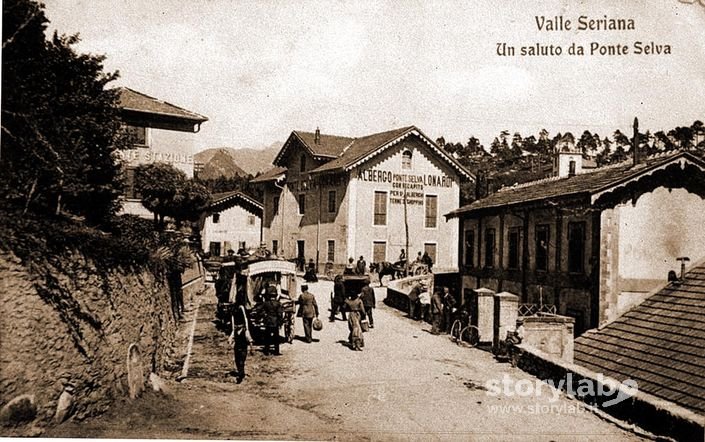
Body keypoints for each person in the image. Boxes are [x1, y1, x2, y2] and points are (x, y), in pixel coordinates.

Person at [228, 291, 253, 383]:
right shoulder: (242, 308)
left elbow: (232, 321)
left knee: (237, 350)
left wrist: (232, 333)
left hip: (236, 331)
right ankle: (241, 371)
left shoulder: (233, 308)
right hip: (242, 331)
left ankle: (240, 370)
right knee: (243, 350)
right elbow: (246, 319)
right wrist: (247, 330)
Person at [261, 287, 282, 355]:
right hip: (275, 322)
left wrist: (264, 316)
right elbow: (279, 314)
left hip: (268, 322)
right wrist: (280, 322)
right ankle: (276, 351)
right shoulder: (278, 303)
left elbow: (261, 311)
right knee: (276, 337)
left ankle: (266, 351)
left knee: (267, 337)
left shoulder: (266, 303)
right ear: (275, 296)